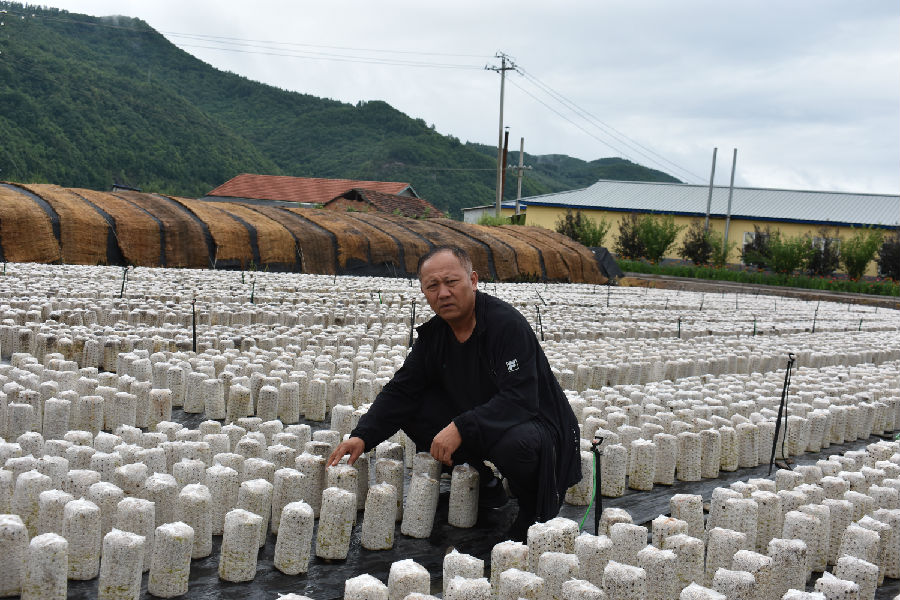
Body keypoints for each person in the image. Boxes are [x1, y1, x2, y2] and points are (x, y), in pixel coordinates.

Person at [328, 245, 581, 540]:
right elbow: (402, 389)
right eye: (432, 286)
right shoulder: (435, 335)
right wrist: (362, 435)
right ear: (424, 292)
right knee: (413, 407)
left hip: (537, 424)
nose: (443, 293)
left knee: (514, 444)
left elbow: (520, 399)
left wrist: (461, 426)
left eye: (451, 282)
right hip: (483, 418)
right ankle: (482, 484)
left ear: (473, 281)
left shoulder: (506, 326)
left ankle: (532, 509)